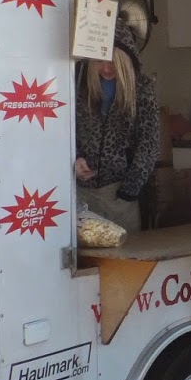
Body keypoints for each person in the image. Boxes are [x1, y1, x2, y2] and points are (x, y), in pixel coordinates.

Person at [74, 21, 160, 234]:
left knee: (126, 258)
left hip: (120, 194)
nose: (105, 68)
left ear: (125, 60)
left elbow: (148, 144)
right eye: (99, 61)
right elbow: (64, 132)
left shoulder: (141, 89)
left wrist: (129, 191)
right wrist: (74, 159)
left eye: (113, 61)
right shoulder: (78, 85)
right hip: (83, 193)